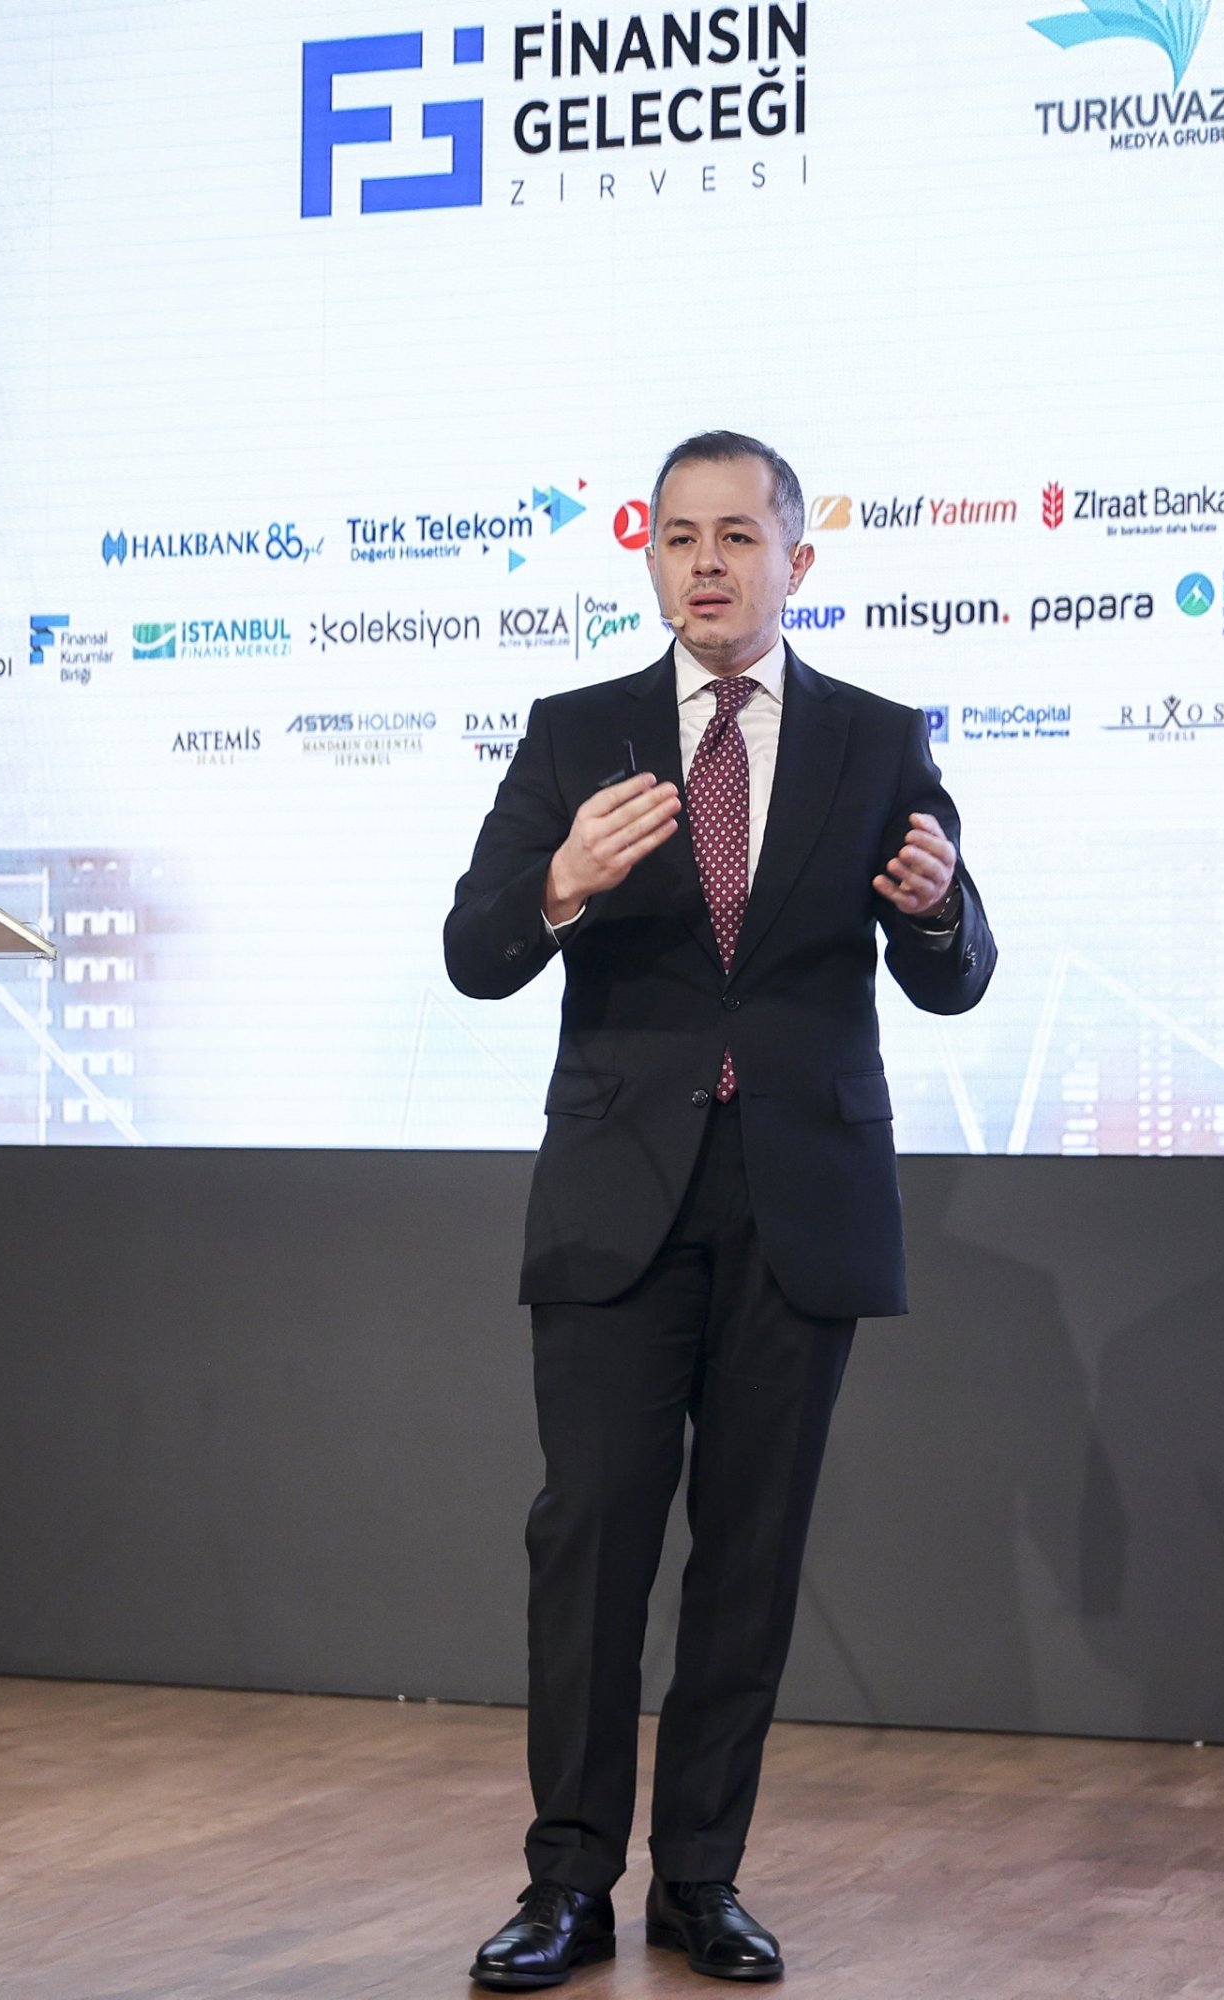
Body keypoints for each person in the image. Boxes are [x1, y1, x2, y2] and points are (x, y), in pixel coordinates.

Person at [443, 431, 996, 1987]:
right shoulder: (578, 732)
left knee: (748, 1557)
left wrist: (946, 908)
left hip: (796, 1207)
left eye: (739, 536)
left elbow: (955, 977)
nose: (706, 560)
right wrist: (560, 878)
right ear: (650, 558)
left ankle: (700, 1877)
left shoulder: (880, 742)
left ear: (795, 562)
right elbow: (477, 952)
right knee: (593, 1546)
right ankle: (566, 1886)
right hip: (620, 1203)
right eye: (679, 535)